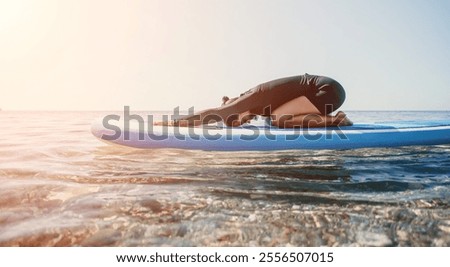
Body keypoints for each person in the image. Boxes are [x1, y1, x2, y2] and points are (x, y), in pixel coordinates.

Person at [156, 73, 353, 128]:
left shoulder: (251, 97)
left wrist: (172, 123)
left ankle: (338, 120)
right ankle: (333, 118)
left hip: (326, 90)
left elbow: (216, 113)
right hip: (326, 93)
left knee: (278, 120)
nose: (242, 122)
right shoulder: (258, 106)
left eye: (235, 120)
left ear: (235, 105)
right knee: (276, 120)